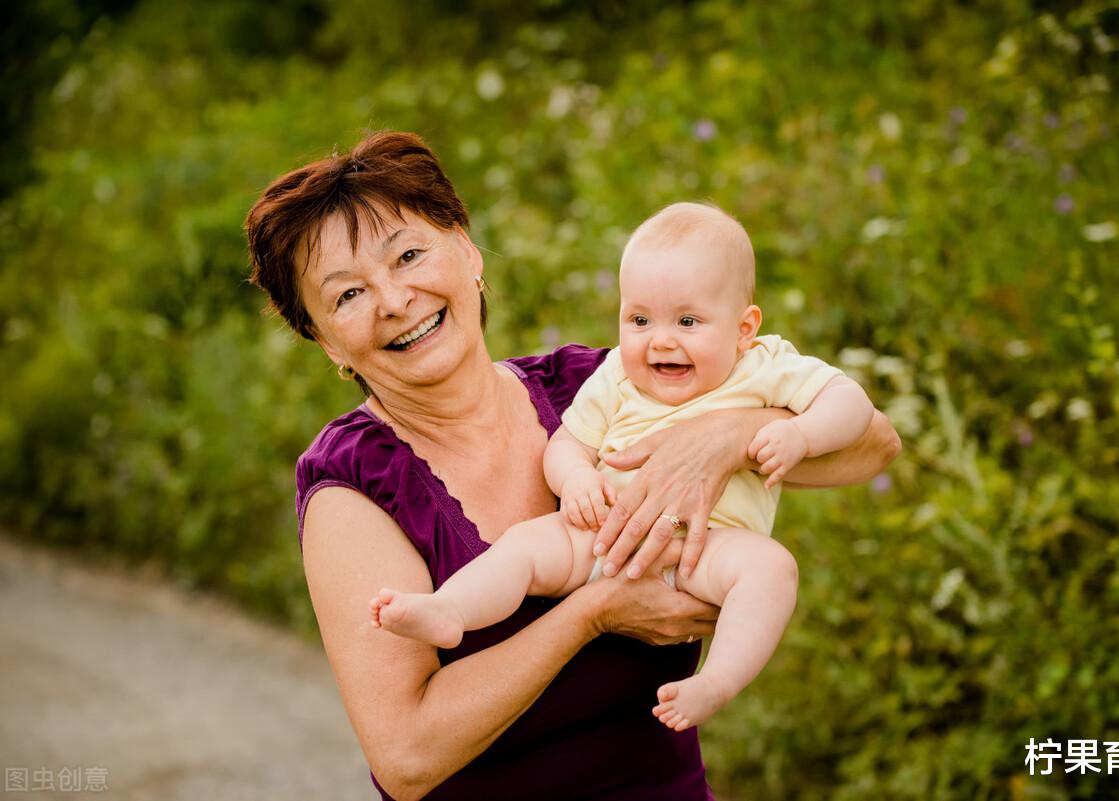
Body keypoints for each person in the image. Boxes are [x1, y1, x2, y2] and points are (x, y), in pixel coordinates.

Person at [244, 130, 902, 801]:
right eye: (347, 295)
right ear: (327, 342)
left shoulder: (600, 388)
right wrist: (595, 610)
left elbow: (873, 445)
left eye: (408, 254)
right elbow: (407, 758)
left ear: (467, 251)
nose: (392, 299)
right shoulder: (354, 481)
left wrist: (731, 433)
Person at [369, 202, 876, 732]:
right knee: (523, 547)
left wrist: (799, 433)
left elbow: (852, 403)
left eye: (687, 321)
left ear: (744, 328)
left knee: (771, 570)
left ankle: (717, 682)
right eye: (639, 320)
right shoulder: (617, 376)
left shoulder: (765, 367)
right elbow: (567, 443)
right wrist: (579, 478)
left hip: (705, 552)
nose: (660, 339)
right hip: (603, 539)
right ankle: (450, 610)